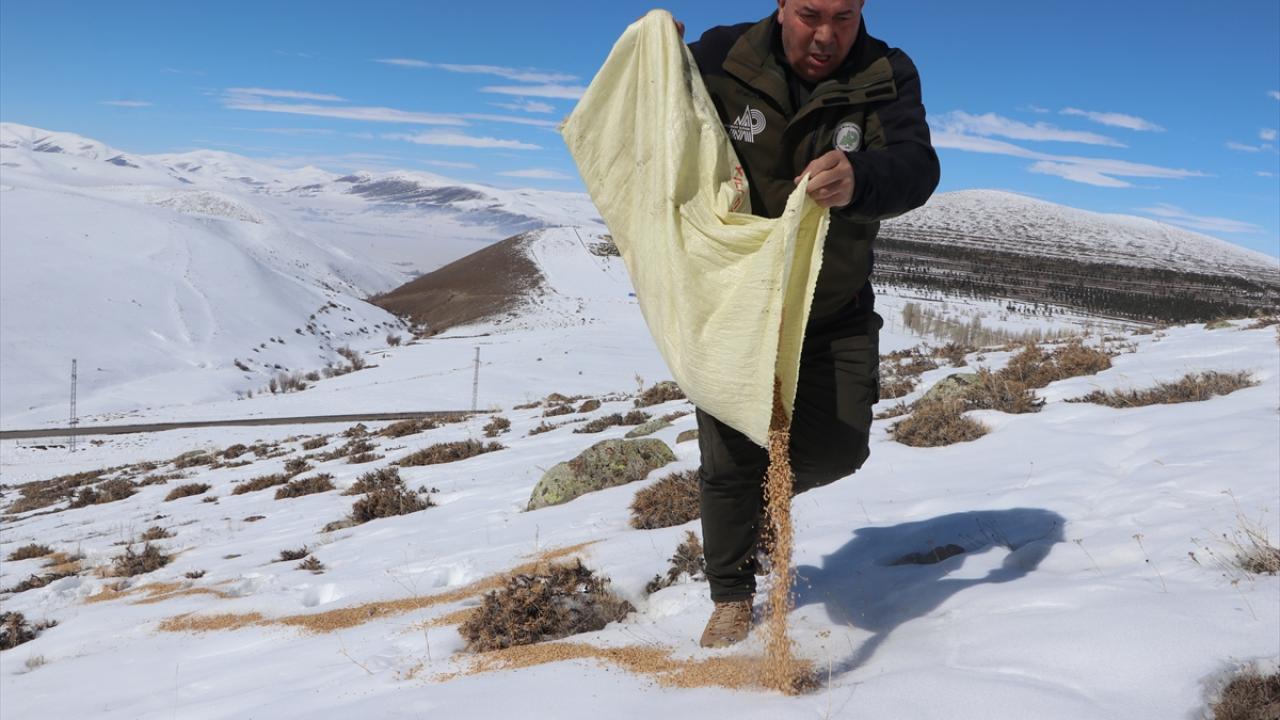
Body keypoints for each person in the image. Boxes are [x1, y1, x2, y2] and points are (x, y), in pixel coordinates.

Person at [680, 0, 941, 647]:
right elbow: (655, 123)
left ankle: (761, 507)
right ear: (780, 6)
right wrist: (658, 58)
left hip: (834, 305)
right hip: (736, 309)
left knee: (840, 447)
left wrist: (862, 177)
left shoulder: (887, 72)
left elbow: (918, 167)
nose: (826, 35)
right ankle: (731, 595)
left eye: (844, 17)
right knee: (732, 457)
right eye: (810, 14)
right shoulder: (719, 56)